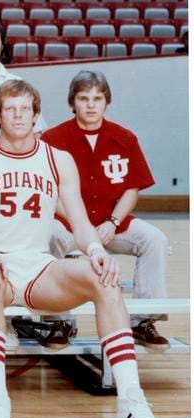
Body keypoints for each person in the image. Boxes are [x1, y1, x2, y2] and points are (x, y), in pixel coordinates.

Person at [0, 79, 163, 418]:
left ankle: (132, 403)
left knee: (104, 279)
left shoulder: (57, 159)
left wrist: (96, 250)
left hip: (40, 266)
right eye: (10, 109)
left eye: (25, 109)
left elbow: (79, 222)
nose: (18, 116)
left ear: (36, 115)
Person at [39, 71, 171, 351]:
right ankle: (58, 321)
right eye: (83, 98)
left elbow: (132, 188)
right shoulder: (52, 138)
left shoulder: (125, 138)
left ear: (106, 102)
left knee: (155, 240)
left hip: (112, 223)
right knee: (48, 237)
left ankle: (142, 321)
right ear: (72, 102)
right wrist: (80, 224)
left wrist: (112, 221)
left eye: (97, 98)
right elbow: (48, 190)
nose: (90, 104)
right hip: (69, 223)